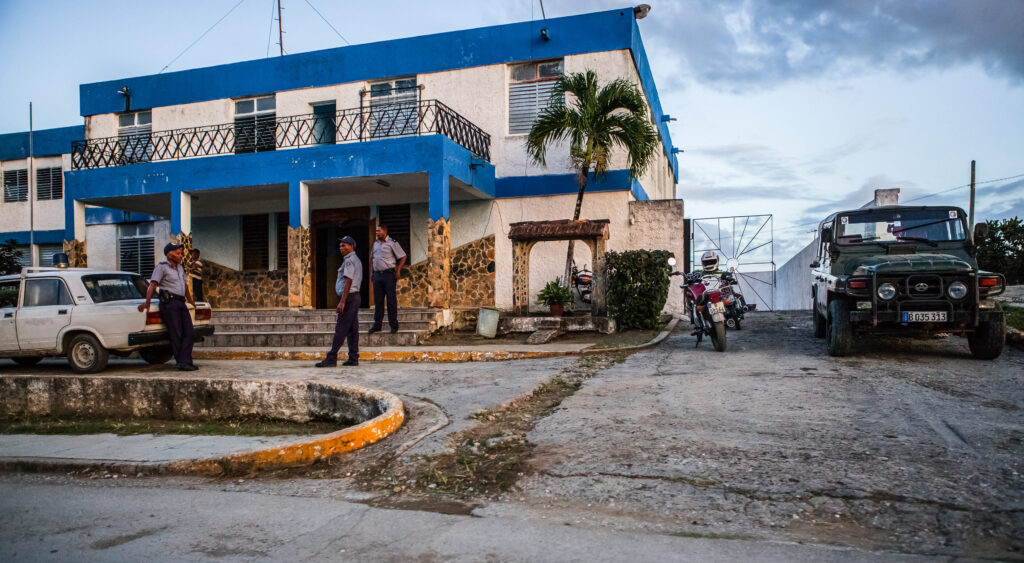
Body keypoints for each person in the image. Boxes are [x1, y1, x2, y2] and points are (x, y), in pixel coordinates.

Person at [138, 242, 196, 371]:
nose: (181, 255)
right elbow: (152, 285)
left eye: (181, 253)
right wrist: (147, 302)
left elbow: (185, 285)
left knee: (189, 332)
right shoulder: (162, 267)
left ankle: (185, 360)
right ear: (169, 255)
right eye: (178, 253)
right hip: (170, 303)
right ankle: (182, 362)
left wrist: (191, 300)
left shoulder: (180, 268)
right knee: (176, 333)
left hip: (181, 302)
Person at [316, 236, 363, 367]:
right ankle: (353, 357)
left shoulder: (349, 260)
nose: (341, 248)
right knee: (352, 329)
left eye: (344, 245)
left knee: (341, 328)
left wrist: (342, 301)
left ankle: (331, 358)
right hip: (354, 297)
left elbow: (348, 280)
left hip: (349, 298)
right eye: (340, 246)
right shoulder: (355, 259)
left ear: (351, 246)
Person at [368, 224, 407, 334]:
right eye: (376, 231)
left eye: (378, 231)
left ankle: (393, 325)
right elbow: (372, 258)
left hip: (389, 275)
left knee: (391, 301)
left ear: (384, 231)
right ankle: (377, 325)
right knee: (378, 301)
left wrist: (398, 269)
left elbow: (403, 256)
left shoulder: (392, 243)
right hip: (377, 275)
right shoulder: (375, 244)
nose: (377, 233)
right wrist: (372, 273)